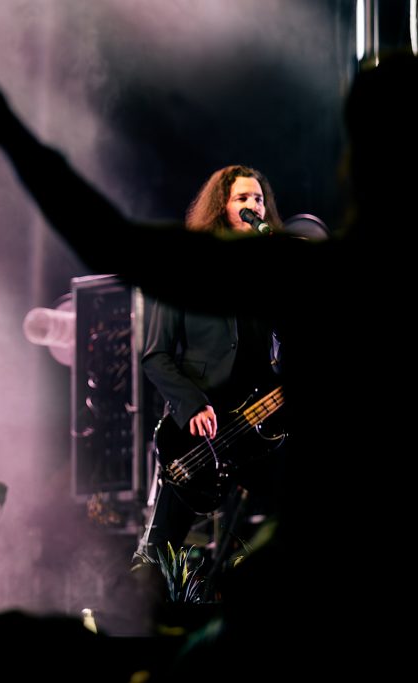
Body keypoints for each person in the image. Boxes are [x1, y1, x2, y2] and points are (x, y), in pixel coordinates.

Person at [0, 50, 418, 671]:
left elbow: (114, 240)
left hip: (329, 584)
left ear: (360, 162)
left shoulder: (322, 275)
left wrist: (6, 127)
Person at [134, 165, 286, 597]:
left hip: (260, 426)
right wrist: (192, 404)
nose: (254, 206)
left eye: (259, 199)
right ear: (222, 206)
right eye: (243, 199)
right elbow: (155, 355)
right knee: (158, 555)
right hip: (200, 431)